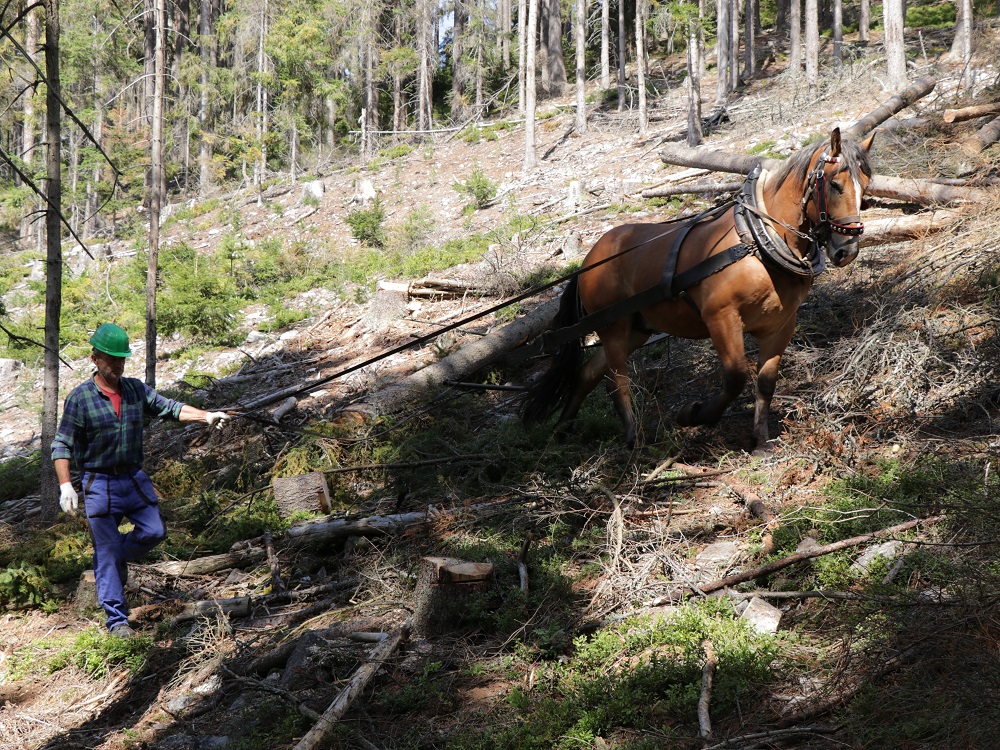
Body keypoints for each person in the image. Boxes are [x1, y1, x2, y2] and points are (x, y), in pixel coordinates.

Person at [51, 323, 232, 638]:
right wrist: (66, 485)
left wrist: (206, 416)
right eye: (111, 359)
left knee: (153, 532)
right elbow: (62, 444)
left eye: (121, 358)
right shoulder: (80, 398)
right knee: (107, 550)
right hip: (99, 483)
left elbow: (170, 408)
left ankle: (110, 556)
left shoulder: (135, 390)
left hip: (133, 478)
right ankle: (117, 621)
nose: (118, 365)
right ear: (95, 358)